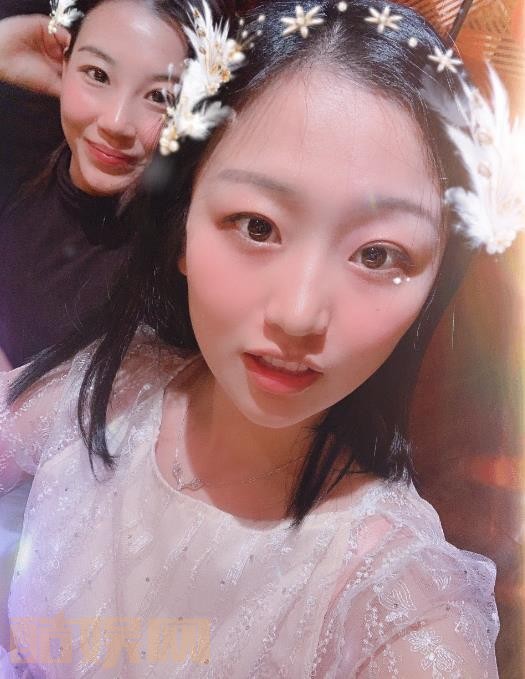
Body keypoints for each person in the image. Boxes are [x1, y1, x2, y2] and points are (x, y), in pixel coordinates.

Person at [1, 0, 517, 675]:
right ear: (181, 226)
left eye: (377, 255)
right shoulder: (105, 388)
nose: (298, 315)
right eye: (257, 225)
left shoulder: (394, 600)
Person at [0, 0, 189, 369]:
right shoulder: (19, 165)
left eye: (159, 97)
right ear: (64, 62)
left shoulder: (175, 264)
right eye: (98, 75)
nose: (116, 123)